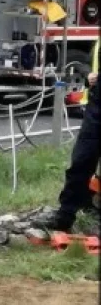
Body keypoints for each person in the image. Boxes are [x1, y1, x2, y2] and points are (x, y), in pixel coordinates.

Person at [50, 39, 100, 232]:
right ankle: (65, 217)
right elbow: (87, 62)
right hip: (96, 108)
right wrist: (89, 75)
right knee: (81, 161)